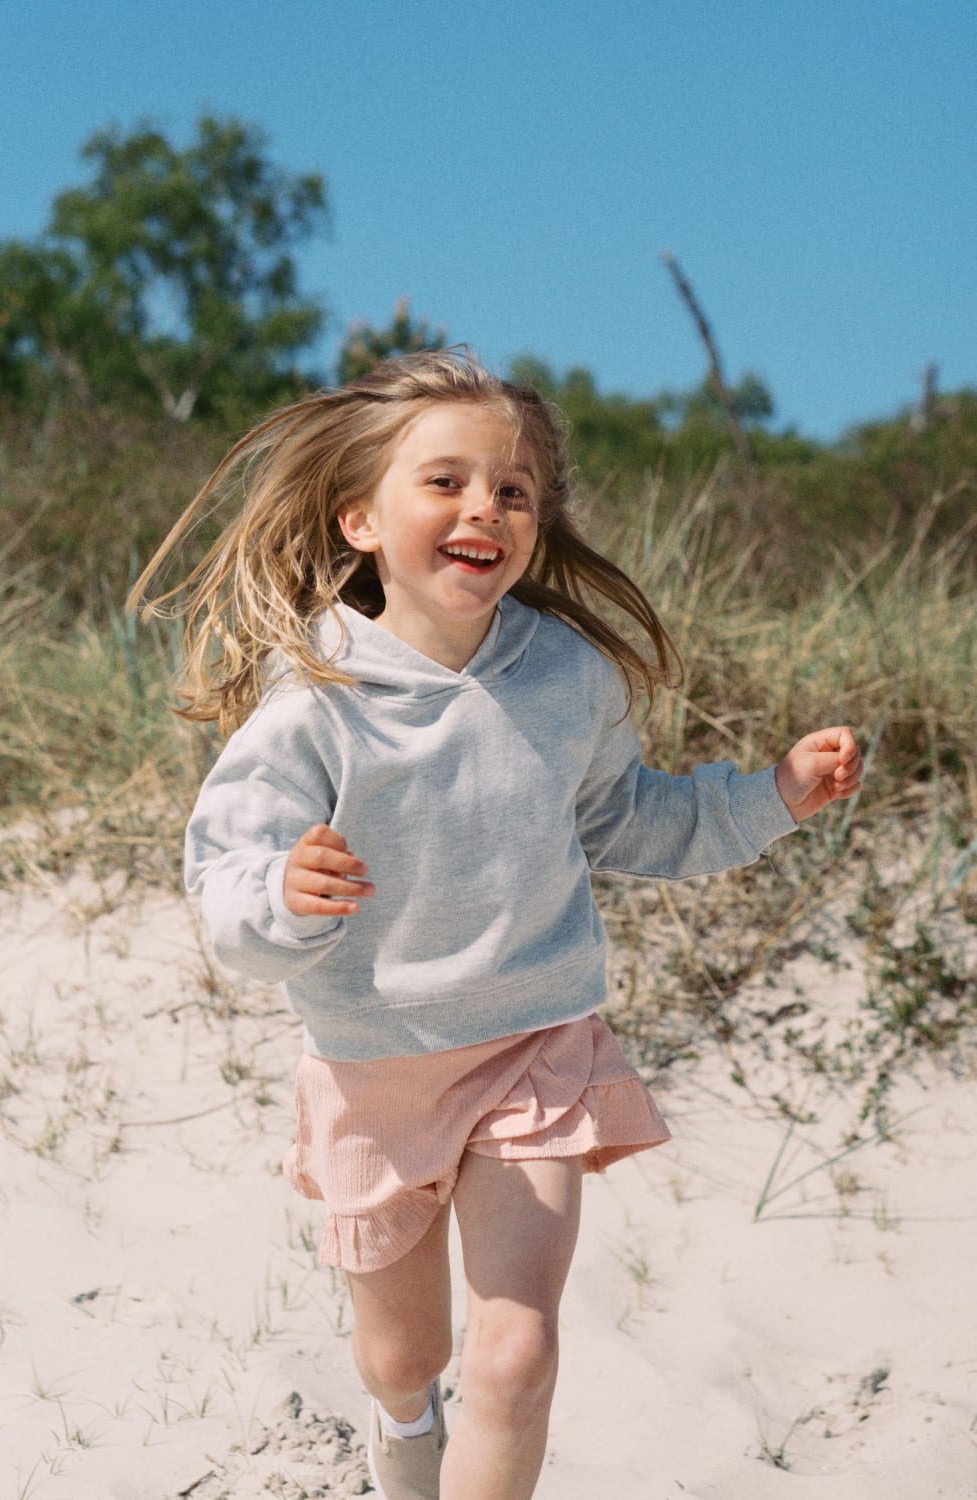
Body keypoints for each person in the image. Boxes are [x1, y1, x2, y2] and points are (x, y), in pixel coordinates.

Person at [131, 349, 861, 1500]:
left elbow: (630, 820)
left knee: (516, 1355)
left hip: (534, 1047)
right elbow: (224, 892)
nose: (486, 508)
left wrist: (769, 796)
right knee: (405, 1355)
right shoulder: (312, 698)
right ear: (359, 519)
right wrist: (280, 898)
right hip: (375, 1065)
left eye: (513, 491)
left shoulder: (564, 674)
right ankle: (401, 1427)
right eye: (446, 483)